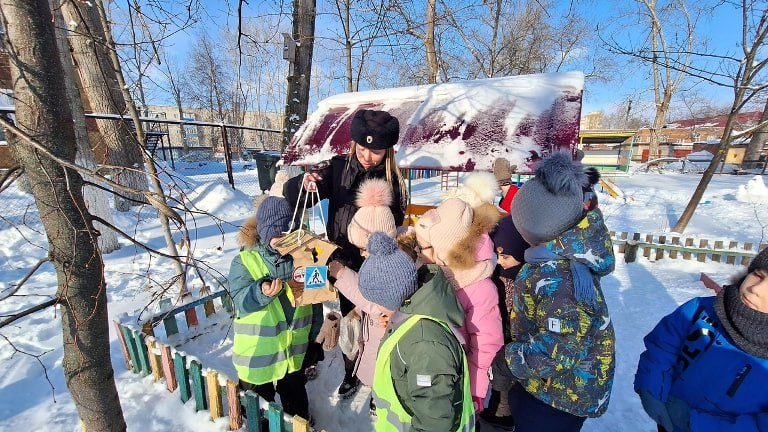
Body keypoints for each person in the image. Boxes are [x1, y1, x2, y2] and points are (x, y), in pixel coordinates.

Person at [283, 108, 408, 397]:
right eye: (362, 148)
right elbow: (297, 195)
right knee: (351, 318)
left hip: (378, 265)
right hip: (341, 262)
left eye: (376, 151)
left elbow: (396, 224)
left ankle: (381, 375)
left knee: (379, 322)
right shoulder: (337, 168)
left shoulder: (394, 180)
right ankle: (352, 369)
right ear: (354, 144)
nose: (367, 156)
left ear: (388, 151)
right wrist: (303, 183)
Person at [494, 151, 616, 432]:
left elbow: (560, 350)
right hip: (548, 387)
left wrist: (508, 361)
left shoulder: (561, 278)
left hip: (559, 398)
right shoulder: (552, 257)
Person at [635, 247, 768, 432]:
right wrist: (653, 390)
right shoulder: (702, 310)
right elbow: (662, 348)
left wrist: (694, 422)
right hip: (667, 414)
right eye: (758, 275)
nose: (755, 289)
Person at [359, 232, 474, 431]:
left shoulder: (425, 343)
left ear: (392, 296)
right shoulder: (409, 318)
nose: (377, 308)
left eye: (377, 302)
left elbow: (434, 421)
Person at [228, 196, 322, 421]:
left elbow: (315, 302)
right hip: (258, 354)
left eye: (288, 234)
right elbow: (239, 300)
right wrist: (260, 292)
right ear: (264, 233)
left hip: (294, 350)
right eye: (277, 235)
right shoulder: (245, 261)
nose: (283, 241)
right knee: (257, 401)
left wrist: (314, 339)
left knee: (295, 393)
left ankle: (298, 421)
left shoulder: (305, 259)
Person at [413, 197, 504, 413]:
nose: (419, 251)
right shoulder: (434, 270)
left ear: (445, 251)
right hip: (432, 368)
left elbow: (486, 345)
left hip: (459, 378)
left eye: (424, 247)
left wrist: (474, 392)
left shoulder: (479, 289)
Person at [326, 178, 398, 404]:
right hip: (373, 330)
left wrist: (342, 275)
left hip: (385, 336)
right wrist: (356, 310)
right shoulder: (378, 260)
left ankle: (381, 397)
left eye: (363, 248)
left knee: (383, 366)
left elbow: (375, 300)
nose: (362, 253)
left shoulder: (392, 268)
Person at [482, 214, 530, 430]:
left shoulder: (527, 280)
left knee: (508, 391)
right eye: (497, 255)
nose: (500, 261)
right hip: (498, 337)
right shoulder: (495, 274)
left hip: (515, 344)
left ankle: (503, 417)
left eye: (506, 256)